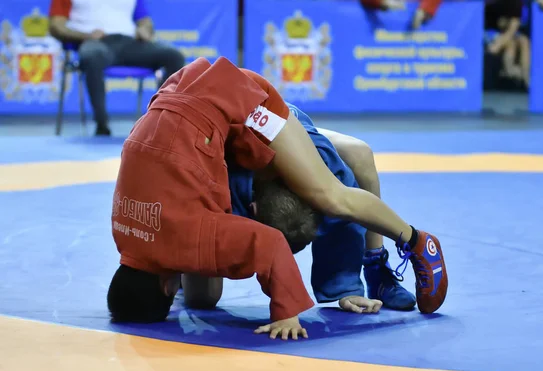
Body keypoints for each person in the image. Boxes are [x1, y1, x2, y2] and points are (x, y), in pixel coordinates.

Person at [107, 56, 448, 340]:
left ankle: (417, 240)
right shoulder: (125, 232)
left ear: (167, 288)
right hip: (176, 103)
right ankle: (303, 136)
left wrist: (289, 311)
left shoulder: (185, 232)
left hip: (239, 102)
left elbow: (269, 243)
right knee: (203, 299)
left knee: (329, 195)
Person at [183, 102, 418, 314]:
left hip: (287, 125)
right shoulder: (219, 177)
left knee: (359, 154)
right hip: (219, 132)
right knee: (202, 298)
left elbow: (344, 216)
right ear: (251, 208)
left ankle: (376, 267)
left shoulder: (322, 165)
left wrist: (346, 289)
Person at [48, 0, 186, 136]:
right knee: (92, 56)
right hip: (95, 42)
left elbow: (145, 21)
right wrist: (85, 36)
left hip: (129, 43)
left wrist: (145, 30)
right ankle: (102, 124)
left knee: (173, 56)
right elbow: (56, 26)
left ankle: (164, 122)